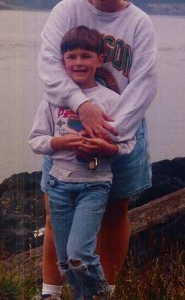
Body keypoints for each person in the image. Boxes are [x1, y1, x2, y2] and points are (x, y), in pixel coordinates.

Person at [33, 0, 158, 300]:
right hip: (66, 125)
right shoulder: (66, 12)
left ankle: (106, 293)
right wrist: (82, 105)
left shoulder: (139, 22)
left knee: (115, 213)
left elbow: (145, 82)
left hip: (122, 130)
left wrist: (109, 131)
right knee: (57, 214)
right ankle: (51, 293)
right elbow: (48, 67)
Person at [29, 26, 136, 300]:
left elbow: (126, 144)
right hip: (59, 186)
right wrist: (60, 143)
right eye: (72, 56)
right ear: (62, 61)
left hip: (94, 186)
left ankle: (101, 296)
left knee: (79, 256)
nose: (78, 62)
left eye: (86, 56)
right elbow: (36, 140)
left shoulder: (112, 101)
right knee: (65, 261)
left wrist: (104, 147)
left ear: (99, 59)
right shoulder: (53, 99)